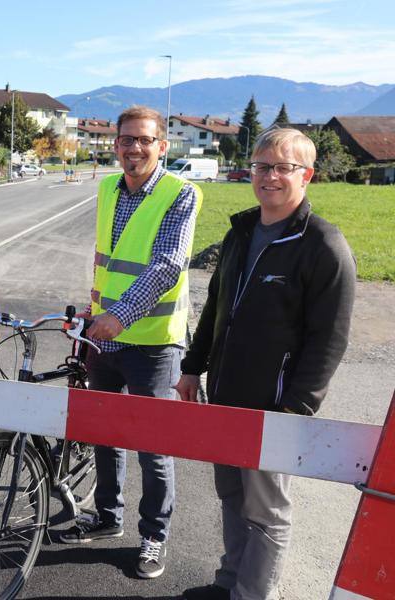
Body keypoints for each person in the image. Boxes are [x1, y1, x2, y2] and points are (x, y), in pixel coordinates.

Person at [176, 128, 355, 600]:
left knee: (267, 509)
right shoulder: (241, 231)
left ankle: (255, 595)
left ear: (307, 175)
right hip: (226, 394)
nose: (270, 176)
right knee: (232, 496)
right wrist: (193, 367)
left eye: (283, 167)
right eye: (261, 166)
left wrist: (296, 409)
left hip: (274, 407)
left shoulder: (323, 245)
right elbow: (216, 304)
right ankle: (230, 581)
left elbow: (329, 339)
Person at [58, 105, 202, 581]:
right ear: (115, 144)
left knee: (152, 446)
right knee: (104, 433)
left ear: (162, 145)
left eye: (144, 140)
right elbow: (108, 260)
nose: (134, 148)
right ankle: (106, 517)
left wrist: (119, 316)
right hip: (105, 335)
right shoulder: (106, 188)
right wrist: (94, 308)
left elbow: (166, 265)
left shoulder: (180, 193)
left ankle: (153, 535)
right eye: (126, 139)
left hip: (154, 343)